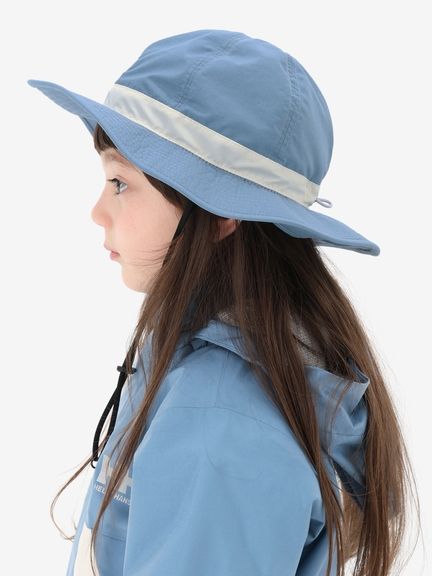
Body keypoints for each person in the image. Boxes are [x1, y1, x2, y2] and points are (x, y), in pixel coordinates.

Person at [27, 28, 419, 576]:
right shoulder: (220, 373)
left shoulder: (221, 426)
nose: (97, 211)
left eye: (119, 182)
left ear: (220, 213)